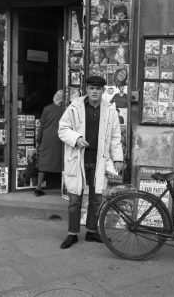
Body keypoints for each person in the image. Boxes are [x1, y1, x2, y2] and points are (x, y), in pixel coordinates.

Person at [58, 76, 124, 249]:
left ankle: (92, 231)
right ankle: (72, 234)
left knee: (96, 199)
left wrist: (117, 158)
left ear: (103, 90)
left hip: (99, 160)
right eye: (91, 88)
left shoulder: (110, 109)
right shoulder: (74, 107)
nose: (94, 91)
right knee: (74, 199)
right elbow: (62, 129)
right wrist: (76, 138)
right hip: (78, 158)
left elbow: (116, 137)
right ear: (86, 89)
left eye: (98, 88)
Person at [34, 90, 64, 196]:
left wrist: (38, 140)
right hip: (61, 139)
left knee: (43, 163)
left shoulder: (46, 109)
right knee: (63, 163)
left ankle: (38, 187)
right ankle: (64, 189)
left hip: (47, 138)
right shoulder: (66, 109)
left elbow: (42, 126)